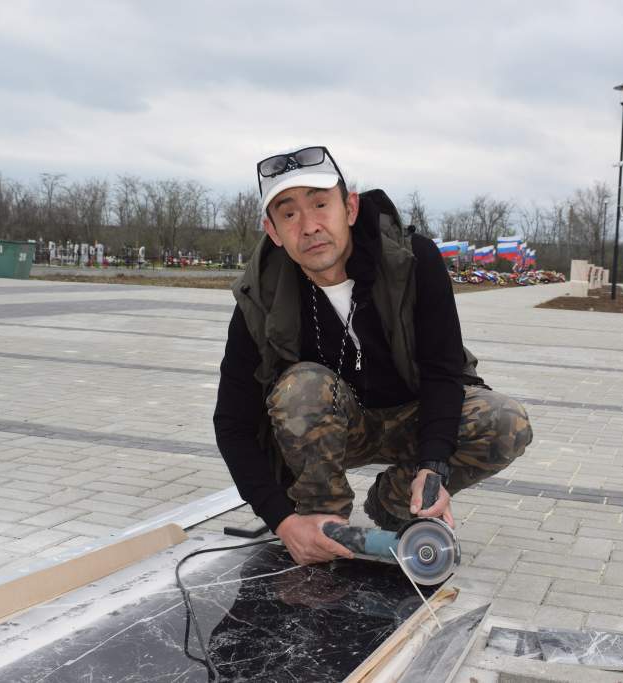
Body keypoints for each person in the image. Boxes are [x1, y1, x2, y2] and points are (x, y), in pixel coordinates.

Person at [213, 146, 532, 566]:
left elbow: (443, 371)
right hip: (326, 431)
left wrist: (433, 466)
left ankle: (395, 503)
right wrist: (282, 520)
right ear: (272, 231)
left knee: (505, 421)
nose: (309, 226)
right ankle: (323, 523)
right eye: (288, 214)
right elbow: (232, 423)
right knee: (301, 387)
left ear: (350, 208)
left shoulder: (413, 261)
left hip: (413, 417)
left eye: (320, 205)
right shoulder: (260, 296)